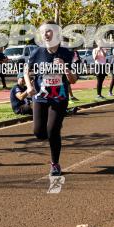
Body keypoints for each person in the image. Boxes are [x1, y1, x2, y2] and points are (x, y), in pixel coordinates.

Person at [23, 22, 78, 176]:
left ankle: (55, 164)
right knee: (39, 133)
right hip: (40, 97)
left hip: (59, 98)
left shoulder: (67, 54)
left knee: (52, 131)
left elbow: (73, 80)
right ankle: (53, 129)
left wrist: (65, 68)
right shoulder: (37, 53)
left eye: (49, 31)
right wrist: (29, 87)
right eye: (43, 32)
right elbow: (26, 72)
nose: (45, 34)